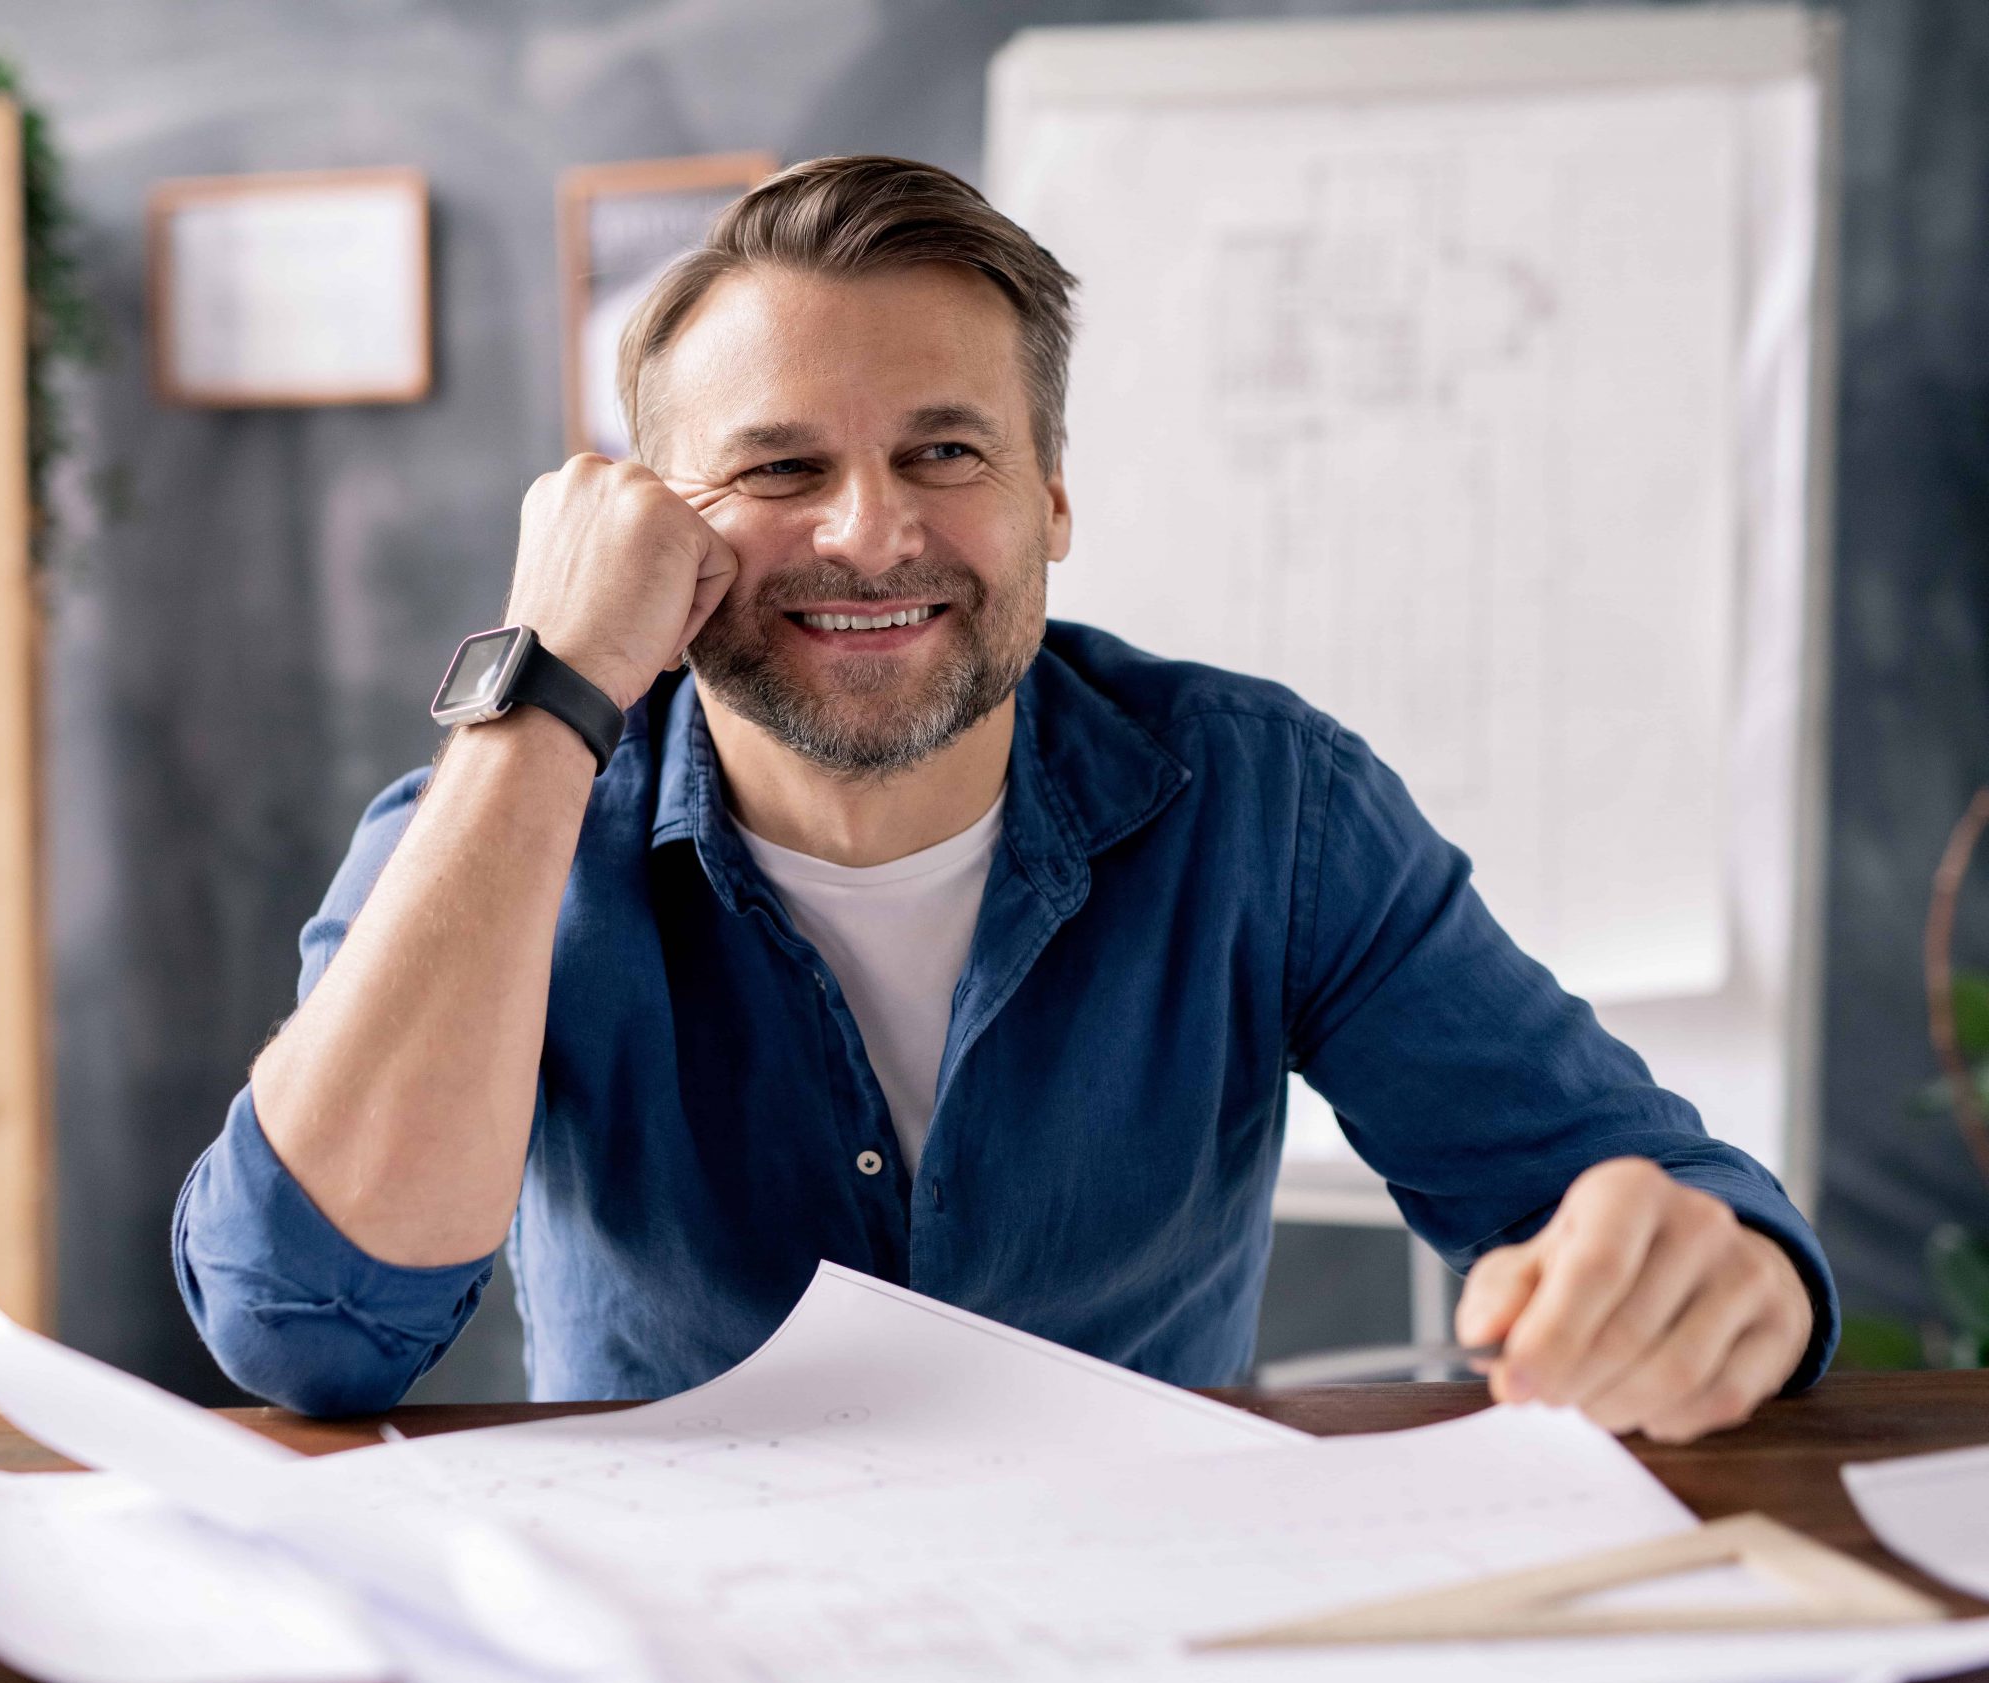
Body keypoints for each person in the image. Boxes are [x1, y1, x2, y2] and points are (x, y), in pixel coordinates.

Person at [175, 155, 1827, 1442]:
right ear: (650, 525)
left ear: (1050, 495)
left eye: (947, 454)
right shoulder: (491, 820)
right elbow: (308, 1328)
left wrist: (1702, 1279)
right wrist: (545, 691)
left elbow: (1651, 1204)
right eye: (778, 468)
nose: (871, 534)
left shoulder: (1270, 806)